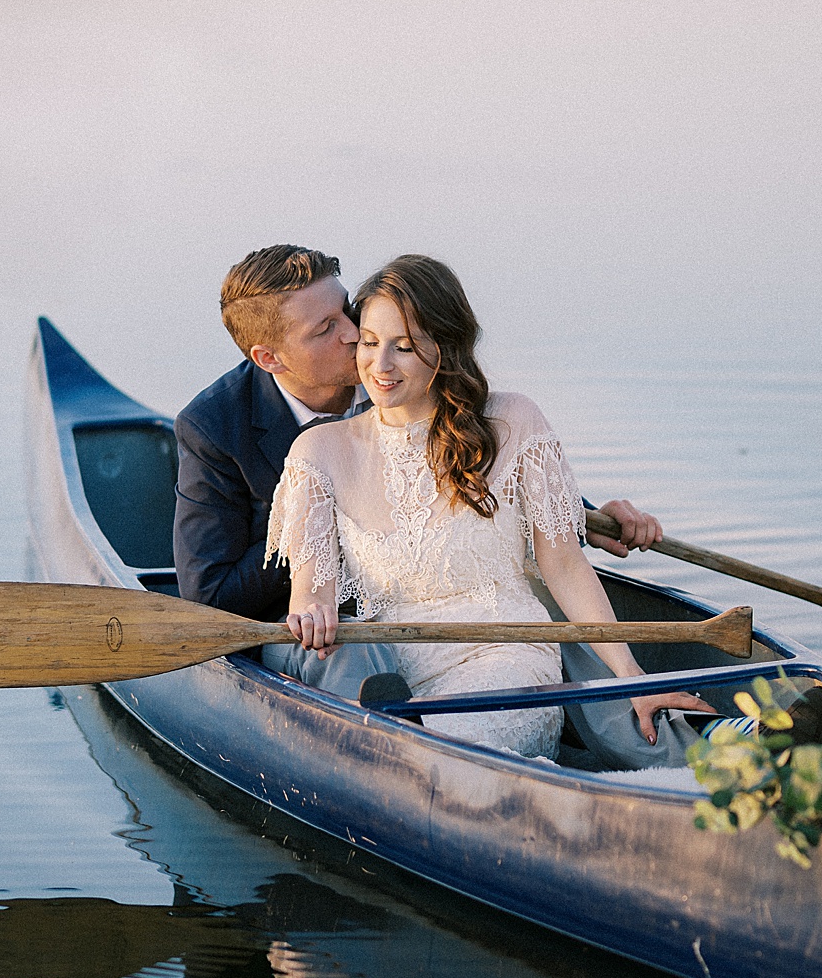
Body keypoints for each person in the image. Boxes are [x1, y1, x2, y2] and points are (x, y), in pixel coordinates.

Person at [173, 245, 666, 707]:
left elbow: (472, 471)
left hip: (488, 631)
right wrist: (317, 527)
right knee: (342, 656)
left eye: (348, 311)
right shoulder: (215, 427)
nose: (353, 334)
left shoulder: (394, 364)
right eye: (326, 329)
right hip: (337, 633)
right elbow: (210, 595)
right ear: (270, 358)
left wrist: (583, 516)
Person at [265, 254, 711, 758]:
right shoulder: (317, 453)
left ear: (445, 348)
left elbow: (565, 566)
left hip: (506, 656)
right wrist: (310, 613)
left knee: (450, 755)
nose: (380, 365)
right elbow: (312, 590)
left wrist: (633, 679)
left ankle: (719, 741)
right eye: (369, 343)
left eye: (404, 347)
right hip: (389, 665)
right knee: (394, 744)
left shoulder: (513, 422)